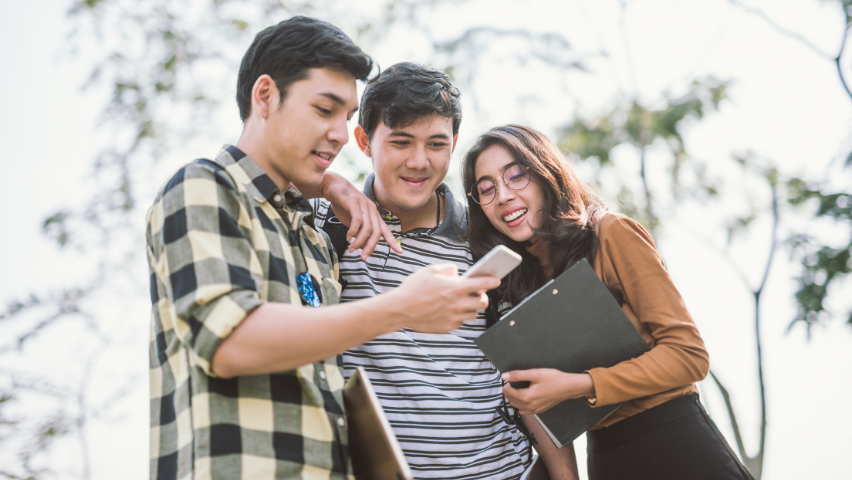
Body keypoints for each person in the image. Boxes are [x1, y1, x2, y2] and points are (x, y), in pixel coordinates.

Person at [145, 18, 499, 480]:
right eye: (324, 109)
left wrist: (329, 185)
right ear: (265, 96)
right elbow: (230, 341)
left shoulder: (311, 234)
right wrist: (400, 308)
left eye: (345, 116)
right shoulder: (204, 188)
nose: (337, 132)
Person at [461, 124, 755, 480]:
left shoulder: (610, 233)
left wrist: (580, 384)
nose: (504, 195)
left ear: (545, 173)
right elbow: (536, 403)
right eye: (487, 189)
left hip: (678, 443)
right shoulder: (513, 285)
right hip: (605, 458)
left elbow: (690, 356)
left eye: (517, 176)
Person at [312, 63, 534, 479]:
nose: (419, 161)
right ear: (363, 141)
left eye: (435, 143)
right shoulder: (326, 223)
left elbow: (528, 375)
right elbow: (254, 169)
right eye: (400, 141)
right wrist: (330, 185)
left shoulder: (485, 236)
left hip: (501, 471)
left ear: (452, 145)